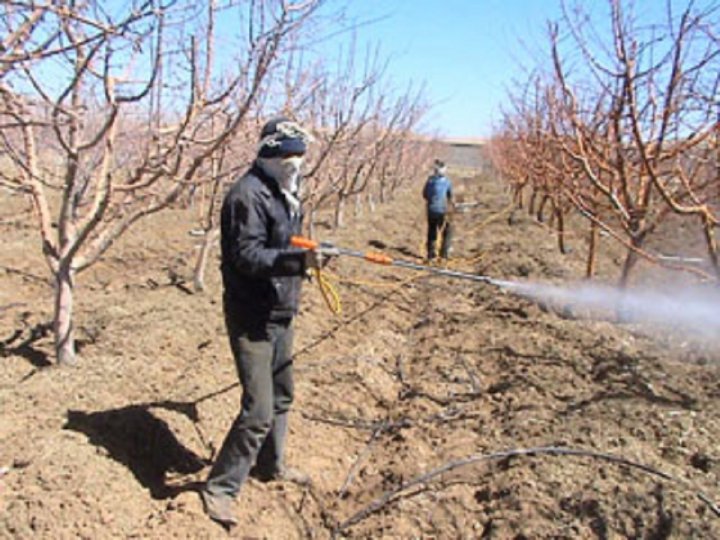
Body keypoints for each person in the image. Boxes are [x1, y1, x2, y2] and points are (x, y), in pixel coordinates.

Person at [201, 116, 334, 527]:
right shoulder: (247, 196)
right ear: (271, 154)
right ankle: (220, 489)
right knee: (257, 410)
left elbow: (283, 244)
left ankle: (271, 466)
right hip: (252, 317)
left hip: (281, 310)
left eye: (301, 155)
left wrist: (308, 256)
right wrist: (299, 260)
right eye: (290, 155)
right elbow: (247, 256)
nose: (297, 162)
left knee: (282, 395)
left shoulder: (284, 191)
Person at [422, 159, 454, 260]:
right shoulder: (447, 182)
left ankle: (431, 254)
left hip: (430, 210)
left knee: (432, 230)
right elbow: (450, 197)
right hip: (441, 211)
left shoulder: (429, 181)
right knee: (447, 231)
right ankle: (444, 253)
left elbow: (425, 194)